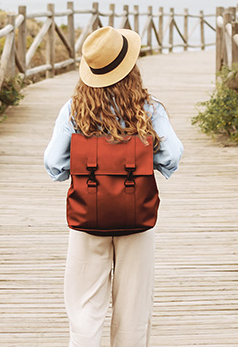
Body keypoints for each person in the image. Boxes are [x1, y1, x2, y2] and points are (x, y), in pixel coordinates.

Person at [43, 26, 183, 347]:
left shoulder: (74, 110)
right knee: (133, 308)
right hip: (137, 216)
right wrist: (148, 161)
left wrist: (78, 169)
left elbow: (53, 162)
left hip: (87, 216)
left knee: (83, 309)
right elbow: (173, 154)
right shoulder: (149, 108)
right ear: (130, 68)